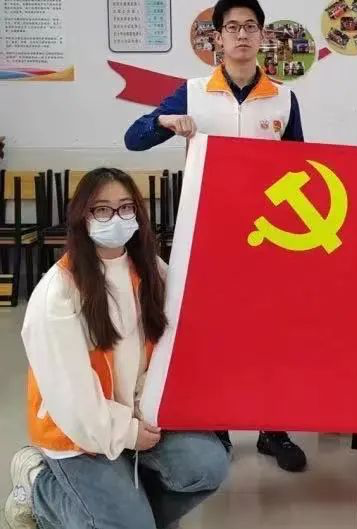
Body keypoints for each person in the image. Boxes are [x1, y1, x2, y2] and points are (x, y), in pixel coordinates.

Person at [123, 0, 307, 472]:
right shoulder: (192, 92)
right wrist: (164, 121)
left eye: (250, 27)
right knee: (214, 333)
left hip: (269, 236)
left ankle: (273, 429)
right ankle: (218, 427)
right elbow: (134, 139)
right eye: (232, 27)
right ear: (218, 39)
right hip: (208, 234)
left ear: (262, 36)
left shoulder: (284, 99)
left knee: (270, 332)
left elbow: (301, 166)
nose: (242, 35)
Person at [4, 168, 229, 529]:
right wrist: (125, 433)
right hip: (79, 431)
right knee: (129, 522)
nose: (117, 218)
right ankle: (38, 489)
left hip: (139, 412)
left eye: (126, 208)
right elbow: (74, 401)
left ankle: (126, 513)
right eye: (102, 210)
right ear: (82, 217)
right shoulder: (58, 294)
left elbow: (189, 326)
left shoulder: (150, 270)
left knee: (208, 465)